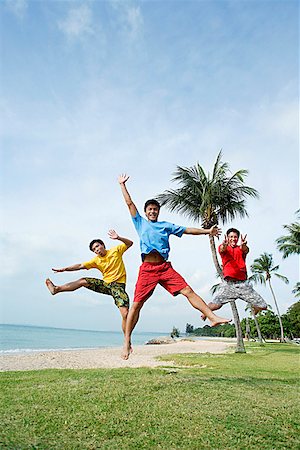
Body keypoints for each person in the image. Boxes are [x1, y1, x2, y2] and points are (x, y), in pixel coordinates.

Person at [118, 174, 231, 360]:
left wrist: (207, 232)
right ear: (146, 212)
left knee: (188, 290)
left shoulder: (165, 226)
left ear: (158, 212)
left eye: (155, 209)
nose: (153, 212)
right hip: (147, 269)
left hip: (164, 268)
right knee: (136, 305)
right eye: (150, 209)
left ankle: (211, 317)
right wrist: (122, 185)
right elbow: (130, 204)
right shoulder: (140, 223)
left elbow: (187, 230)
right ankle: (127, 342)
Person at [45, 229, 133, 340]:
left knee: (125, 314)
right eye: (94, 249)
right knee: (83, 281)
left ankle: (126, 340)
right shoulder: (96, 261)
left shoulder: (116, 250)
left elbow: (130, 243)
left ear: (103, 245)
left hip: (118, 286)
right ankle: (57, 289)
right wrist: (65, 269)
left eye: (97, 246)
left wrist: (118, 238)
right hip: (105, 285)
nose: (96, 250)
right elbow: (80, 265)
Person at [202, 228, 268, 320]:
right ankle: (205, 312)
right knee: (216, 305)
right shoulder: (224, 248)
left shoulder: (240, 249)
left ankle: (256, 308)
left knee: (263, 306)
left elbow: (245, 250)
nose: (233, 239)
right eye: (231, 237)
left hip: (243, 285)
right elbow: (222, 249)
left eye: (235, 237)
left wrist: (244, 245)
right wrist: (224, 245)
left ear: (238, 238)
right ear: (228, 238)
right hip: (229, 285)